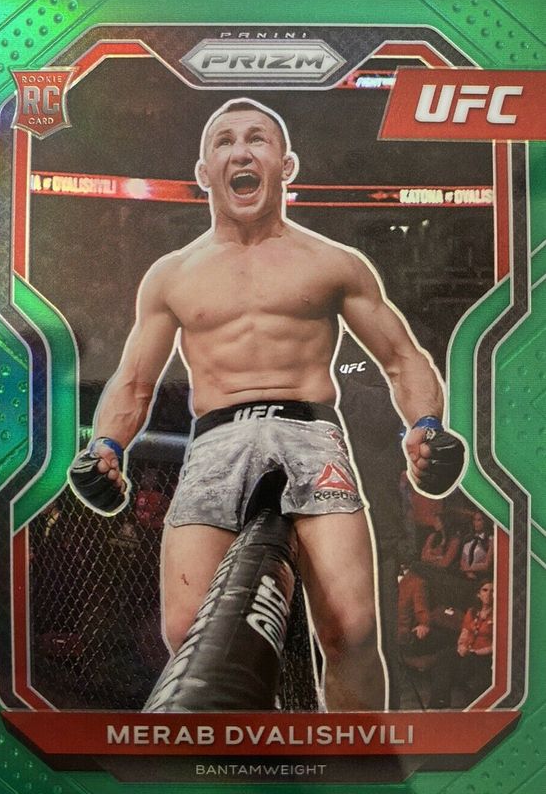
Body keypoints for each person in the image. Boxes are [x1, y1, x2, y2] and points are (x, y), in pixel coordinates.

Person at [69, 98, 465, 712]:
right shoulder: (172, 274)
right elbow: (134, 380)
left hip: (309, 432)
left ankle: (353, 762)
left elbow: (401, 356)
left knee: (353, 630)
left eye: (257, 138)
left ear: (286, 164)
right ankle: (247, 756)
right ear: (204, 171)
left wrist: (427, 426)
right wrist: (105, 446)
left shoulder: (333, 262)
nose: (241, 151)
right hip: (216, 439)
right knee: (189, 637)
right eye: (225, 141)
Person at [428, 579, 494, 709]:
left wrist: (475, 652)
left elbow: (496, 645)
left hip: (483, 656)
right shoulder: (472, 612)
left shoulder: (498, 615)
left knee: (466, 667)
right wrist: (461, 646)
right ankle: (439, 704)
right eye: (485, 590)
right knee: (444, 657)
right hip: (467, 651)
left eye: (492, 591)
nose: (488, 594)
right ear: (478, 594)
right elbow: (464, 632)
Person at [460, 510, 494, 581]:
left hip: (480, 577)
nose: (475, 523)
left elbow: (487, 565)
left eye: (479, 520)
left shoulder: (491, 540)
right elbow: (462, 560)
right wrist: (468, 572)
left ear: (485, 522)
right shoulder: (468, 539)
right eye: (474, 520)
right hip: (465, 574)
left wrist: (469, 568)